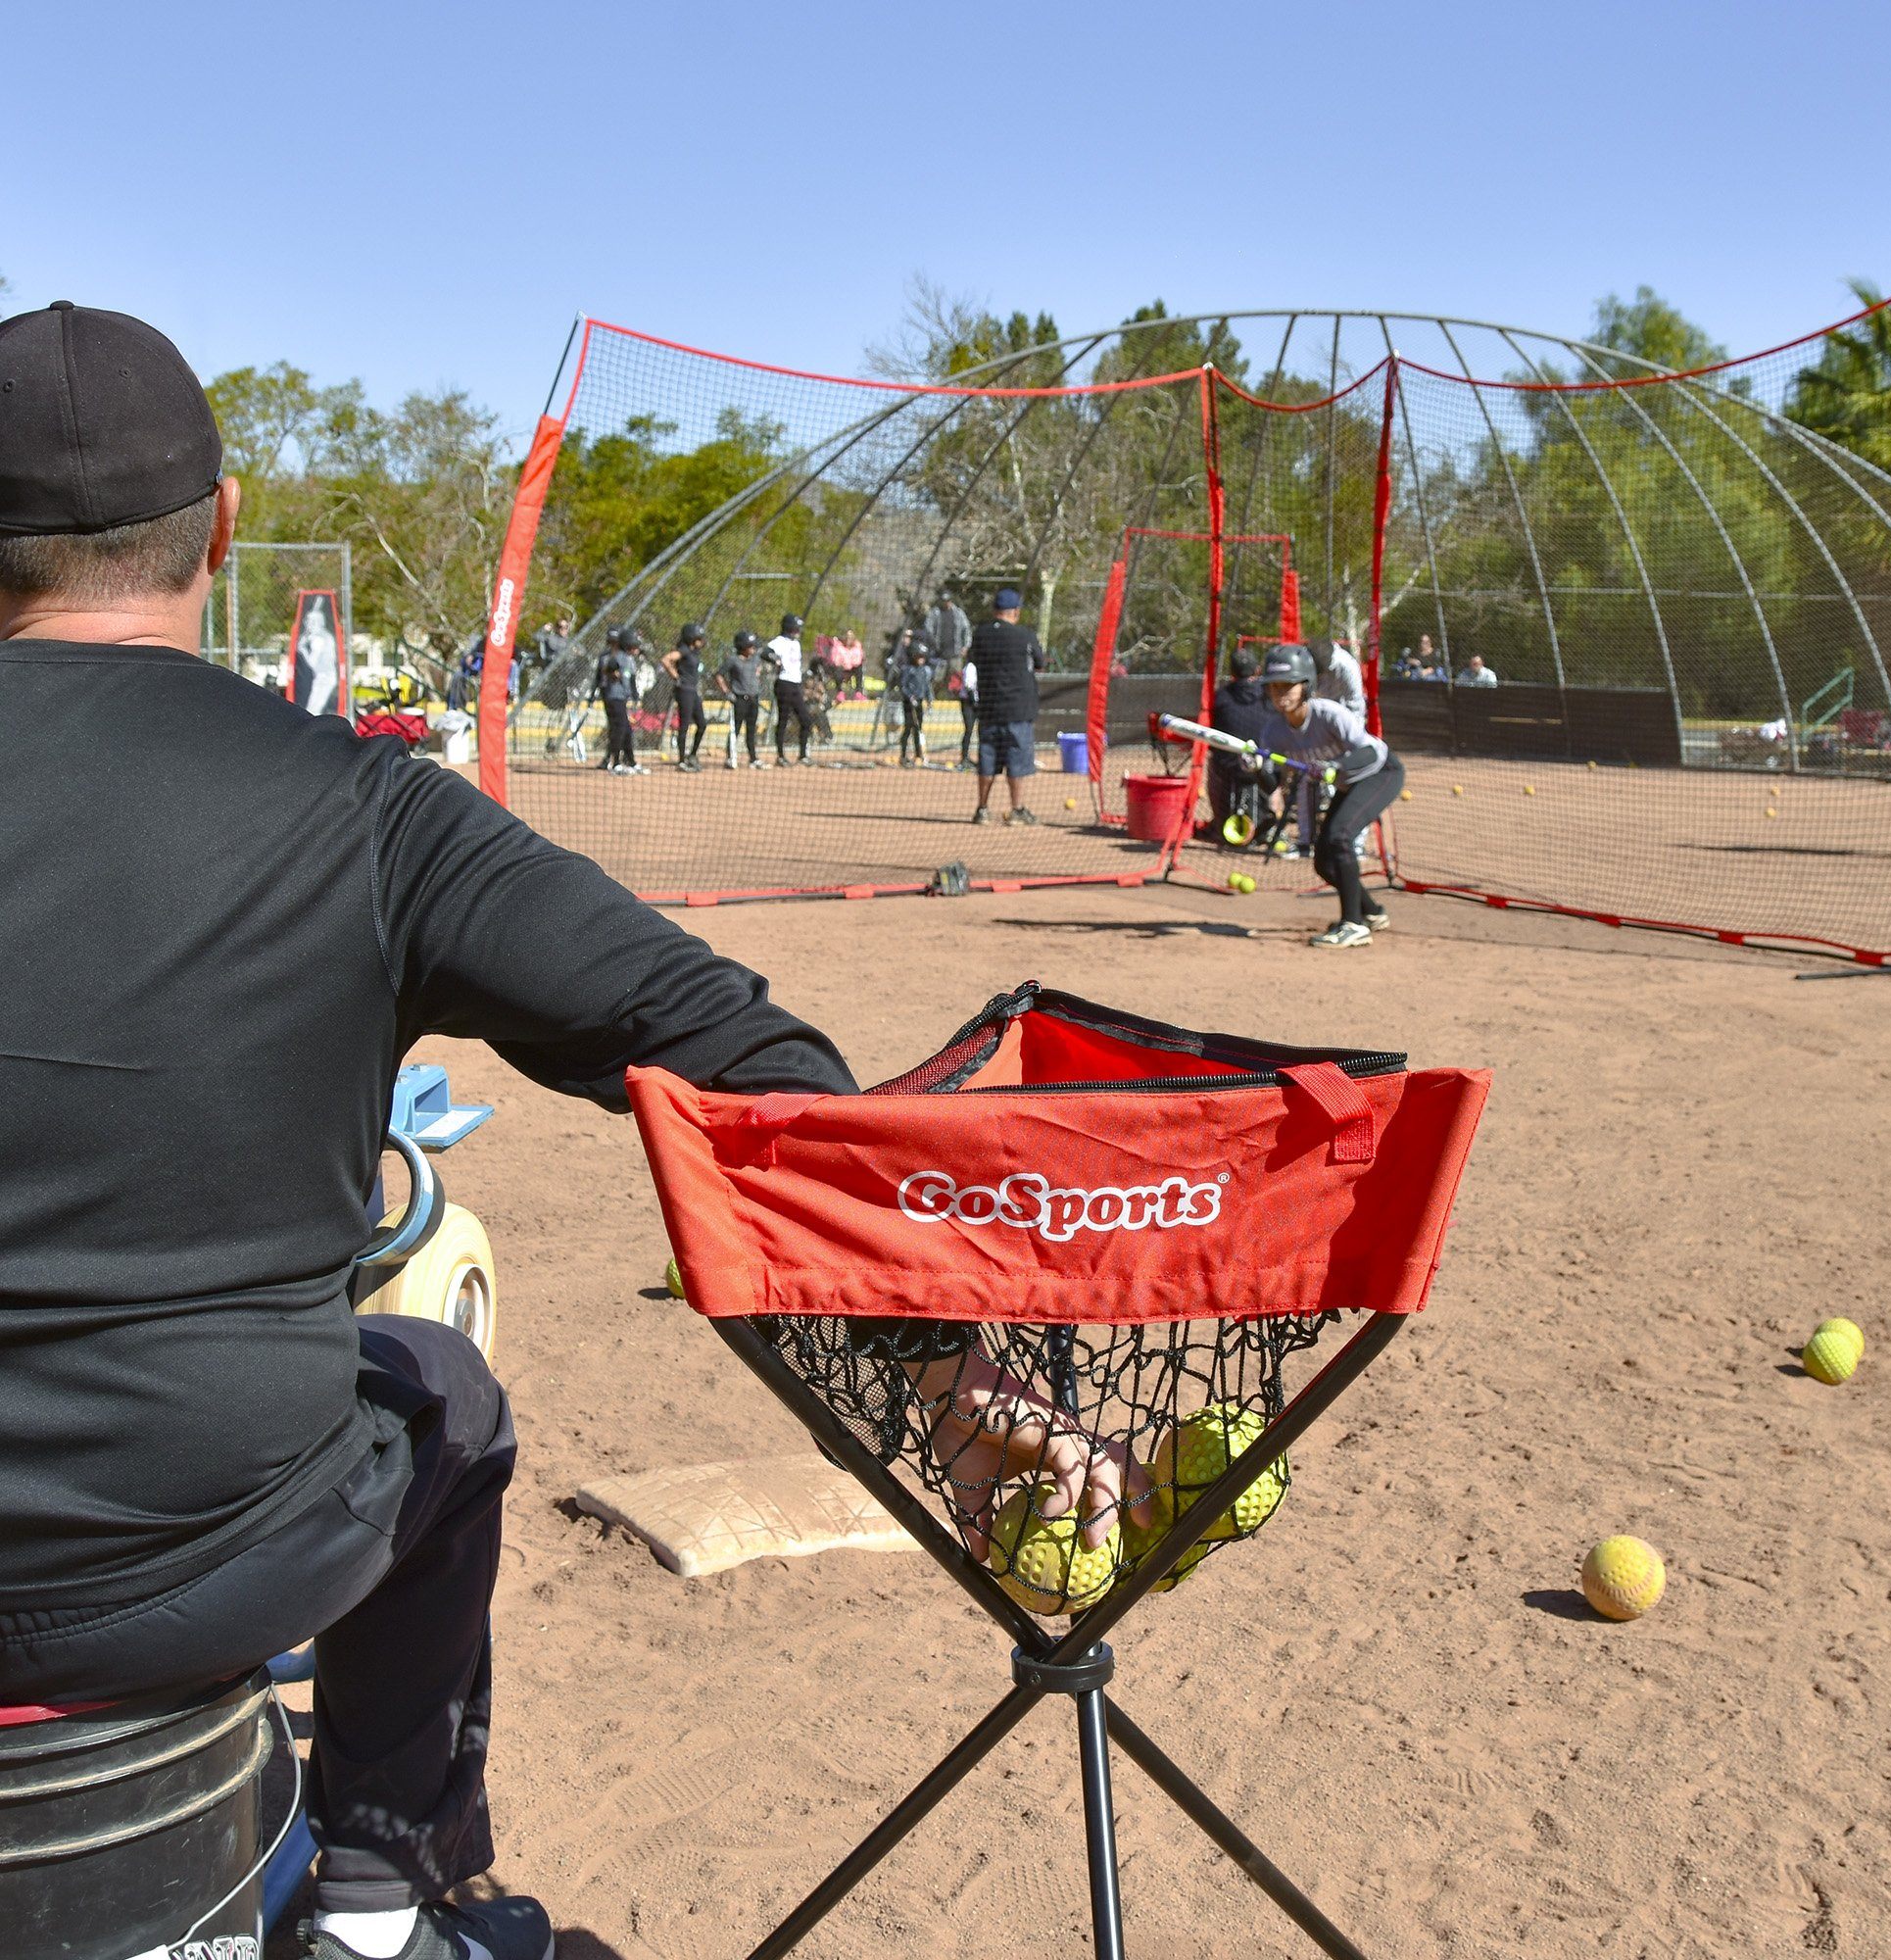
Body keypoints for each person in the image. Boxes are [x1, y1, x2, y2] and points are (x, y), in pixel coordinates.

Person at [0, 301, 1146, 1960]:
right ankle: (385, 1897)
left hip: (185, 1544)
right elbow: (745, 1063)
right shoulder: (368, 803)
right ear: (227, 524)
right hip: (215, 1542)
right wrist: (943, 1366)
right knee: (439, 1389)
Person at [1261, 645, 1400, 948]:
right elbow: (1270, 777)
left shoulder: (1329, 714)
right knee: (1323, 861)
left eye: (1288, 686)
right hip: (1350, 782)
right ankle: (1372, 912)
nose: (1280, 693)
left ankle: (1353, 924)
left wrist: (1335, 767)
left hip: (1379, 773)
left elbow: (1370, 751)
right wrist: (1256, 768)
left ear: (1306, 686)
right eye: (1273, 687)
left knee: (1340, 837)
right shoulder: (1274, 730)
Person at [968, 588, 1046, 826]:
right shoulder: (1025, 636)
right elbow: (1041, 663)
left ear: (995, 611)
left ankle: (982, 809)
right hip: (1018, 710)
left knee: (987, 759)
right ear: (1016, 612)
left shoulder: (981, 634)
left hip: (990, 709)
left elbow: (971, 660)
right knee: (1017, 761)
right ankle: (1017, 809)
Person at [1205, 643, 1285, 836]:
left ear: (1232, 673)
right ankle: (1272, 818)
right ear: (1257, 670)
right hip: (1265, 771)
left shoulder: (1220, 697)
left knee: (1213, 758)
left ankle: (1220, 819)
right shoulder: (1270, 696)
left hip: (1230, 768)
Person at [767, 612, 814, 766]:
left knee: (806, 720)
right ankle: (780, 756)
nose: (798, 631)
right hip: (783, 683)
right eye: (796, 628)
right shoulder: (779, 641)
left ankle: (803, 755)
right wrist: (776, 660)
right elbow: (765, 652)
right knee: (783, 719)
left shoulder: (796, 643)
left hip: (795, 684)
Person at [661, 621, 708, 771]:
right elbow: (666, 659)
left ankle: (692, 755)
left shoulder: (694, 652)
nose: (701, 641)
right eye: (699, 638)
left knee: (702, 723)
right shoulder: (684, 650)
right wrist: (676, 677)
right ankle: (681, 760)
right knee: (685, 725)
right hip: (684, 690)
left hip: (692, 690)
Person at [592, 630, 641, 773]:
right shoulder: (616, 657)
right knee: (619, 729)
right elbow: (607, 669)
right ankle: (615, 762)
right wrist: (612, 672)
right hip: (614, 697)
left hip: (623, 698)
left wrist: (635, 697)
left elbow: (631, 681)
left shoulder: (629, 660)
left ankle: (630, 761)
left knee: (627, 730)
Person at [718, 627, 763, 768]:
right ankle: (731, 757)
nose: (753, 648)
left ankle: (753, 758)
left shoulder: (755, 659)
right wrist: (727, 692)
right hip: (739, 699)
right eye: (750, 645)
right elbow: (719, 675)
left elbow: (759, 668)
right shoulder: (733, 660)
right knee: (735, 729)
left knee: (751, 730)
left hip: (753, 698)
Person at [897, 640, 935, 764]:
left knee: (918, 728)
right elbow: (903, 687)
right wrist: (910, 697)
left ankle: (919, 754)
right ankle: (903, 755)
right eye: (919, 656)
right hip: (909, 704)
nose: (921, 659)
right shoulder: (908, 669)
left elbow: (927, 687)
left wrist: (929, 700)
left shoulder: (924, 670)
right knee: (908, 728)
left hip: (919, 703)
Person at [922, 588, 971, 682]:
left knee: (956, 681)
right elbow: (928, 628)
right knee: (936, 680)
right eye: (943, 601)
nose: (945, 603)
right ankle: (934, 697)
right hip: (939, 654)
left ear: (951, 601)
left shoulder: (958, 613)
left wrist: (965, 646)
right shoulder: (935, 613)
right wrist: (933, 644)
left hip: (955, 653)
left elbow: (966, 629)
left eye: (947, 601)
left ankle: (955, 697)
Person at [1311, 637, 1366, 719]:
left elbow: (1355, 704)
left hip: (1341, 714)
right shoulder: (1307, 659)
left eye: (1321, 674)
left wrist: (1353, 730)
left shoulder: (1347, 666)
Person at [957, 653, 980, 766]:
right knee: (969, 729)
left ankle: (982, 757)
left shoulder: (981, 666)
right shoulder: (970, 667)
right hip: (968, 702)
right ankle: (964, 758)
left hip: (978, 702)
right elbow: (969, 686)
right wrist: (974, 702)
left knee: (982, 730)